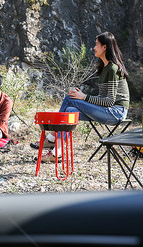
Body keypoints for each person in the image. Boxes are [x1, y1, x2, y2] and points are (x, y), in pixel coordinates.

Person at [31, 31, 130, 160]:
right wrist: (82, 97)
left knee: (69, 99)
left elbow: (109, 101)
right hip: (107, 111)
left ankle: (52, 139)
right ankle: (56, 152)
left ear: (104, 47)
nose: (94, 48)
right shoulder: (104, 68)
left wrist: (83, 97)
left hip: (116, 112)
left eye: (96, 44)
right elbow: (102, 99)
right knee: (70, 111)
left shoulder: (112, 69)